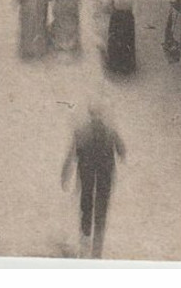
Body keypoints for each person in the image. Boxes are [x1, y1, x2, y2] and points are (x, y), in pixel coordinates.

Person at [61, 103, 126, 259]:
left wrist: (65, 174)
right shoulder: (109, 131)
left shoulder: (82, 131)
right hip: (101, 178)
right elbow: (122, 151)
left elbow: (72, 155)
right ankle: (95, 251)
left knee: (87, 210)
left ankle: (87, 249)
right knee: (97, 212)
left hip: (89, 178)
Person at [106, 0, 137, 75]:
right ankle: (127, 64)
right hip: (127, 17)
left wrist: (112, 10)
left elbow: (108, 4)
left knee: (116, 39)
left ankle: (115, 63)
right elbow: (136, 7)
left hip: (117, 16)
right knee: (127, 40)